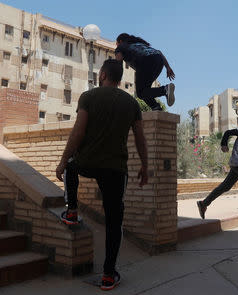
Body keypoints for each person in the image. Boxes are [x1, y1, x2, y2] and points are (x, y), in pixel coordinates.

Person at [55, 59, 149, 290]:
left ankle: (72, 211)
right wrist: (145, 166)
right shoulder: (131, 103)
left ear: (104, 74)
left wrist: (62, 160)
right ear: (120, 78)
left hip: (86, 162)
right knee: (114, 221)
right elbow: (140, 137)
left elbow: (78, 131)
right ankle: (108, 275)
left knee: (70, 167)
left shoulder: (89, 97)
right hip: (116, 169)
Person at [114, 33, 175, 111]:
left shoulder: (120, 47)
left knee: (140, 93)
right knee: (144, 90)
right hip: (159, 61)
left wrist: (117, 79)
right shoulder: (138, 44)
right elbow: (159, 52)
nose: (116, 46)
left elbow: (118, 64)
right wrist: (168, 67)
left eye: (116, 44)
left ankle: (164, 90)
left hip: (145, 62)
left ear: (120, 41)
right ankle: (156, 107)